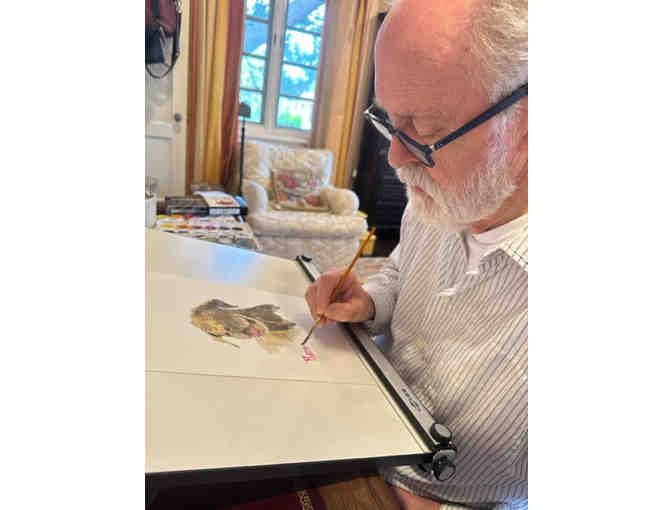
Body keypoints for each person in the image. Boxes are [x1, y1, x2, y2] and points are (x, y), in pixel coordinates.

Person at [305, 0, 528, 509]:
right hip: (354, 440)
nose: (394, 157)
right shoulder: (436, 193)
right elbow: (403, 271)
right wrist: (369, 301)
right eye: (388, 122)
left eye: (424, 131)